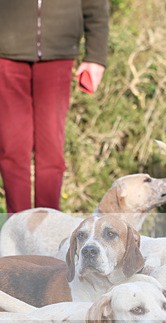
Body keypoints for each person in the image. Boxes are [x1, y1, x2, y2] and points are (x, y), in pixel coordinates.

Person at [0, 0, 109, 214]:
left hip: (58, 53)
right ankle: (17, 228)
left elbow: (95, 5)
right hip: (6, 52)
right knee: (12, 149)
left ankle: (48, 226)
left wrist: (96, 56)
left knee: (51, 150)